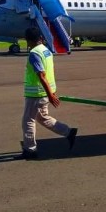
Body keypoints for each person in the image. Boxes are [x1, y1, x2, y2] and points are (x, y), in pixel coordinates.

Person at [19, 27, 77, 159]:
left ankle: (30, 150)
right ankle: (68, 132)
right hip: (45, 92)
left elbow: (41, 75)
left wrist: (50, 95)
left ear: (28, 40)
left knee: (28, 121)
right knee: (42, 117)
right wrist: (50, 93)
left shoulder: (34, 53)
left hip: (37, 94)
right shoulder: (46, 51)